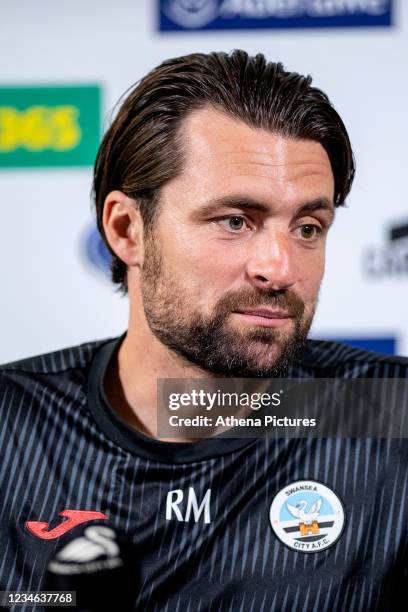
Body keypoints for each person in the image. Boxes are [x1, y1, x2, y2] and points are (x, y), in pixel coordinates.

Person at [0, 50, 407, 611]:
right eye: (235, 221)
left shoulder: (389, 415)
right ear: (127, 230)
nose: (282, 268)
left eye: (308, 227)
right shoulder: (11, 426)